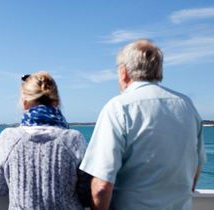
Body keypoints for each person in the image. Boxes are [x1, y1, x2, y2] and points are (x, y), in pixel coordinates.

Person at [79, 39, 206, 210]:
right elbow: (196, 167)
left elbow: (102, 187)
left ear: (124, 72)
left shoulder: (119, 107)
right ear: (158, 70)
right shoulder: (187, 106)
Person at [0, 71, 87, 210]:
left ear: (25, 103)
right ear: (57, 102)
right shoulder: (73, 139)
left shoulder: (9, 138)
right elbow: (86, 194)